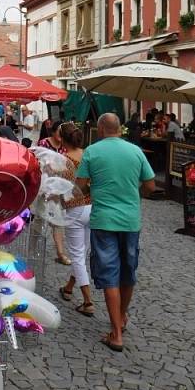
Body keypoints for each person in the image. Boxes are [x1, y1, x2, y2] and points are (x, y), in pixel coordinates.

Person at [76, 113, 155, 352]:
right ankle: (121, 317)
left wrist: (94, 187)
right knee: (128, 270)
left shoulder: (91, 151)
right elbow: (151, 186)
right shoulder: (136, 151)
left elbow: (80, 186)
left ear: (100, 129)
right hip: (130, 221)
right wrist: (133, 195)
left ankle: (116, 334)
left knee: (110, 272)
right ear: (120, 129)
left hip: (103, 221)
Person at [58, 123, 94, 315]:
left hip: (75, 209)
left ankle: (88, 301)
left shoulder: (64, 160)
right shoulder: (88, 154)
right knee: (83, 252)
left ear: (63, 139)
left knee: (77, 256)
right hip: (92, 207)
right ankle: (69, 287)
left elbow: (62, 188)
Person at [37, 122, 70, 265]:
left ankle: (60, 253)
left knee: (57, 221)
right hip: (44, 188)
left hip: (58, 189)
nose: (61, 136)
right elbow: (40, 164)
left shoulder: (65, 147)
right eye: (59, 132)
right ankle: (33, 251)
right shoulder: (43, 143)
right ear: (53, 132)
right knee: (39, 219)